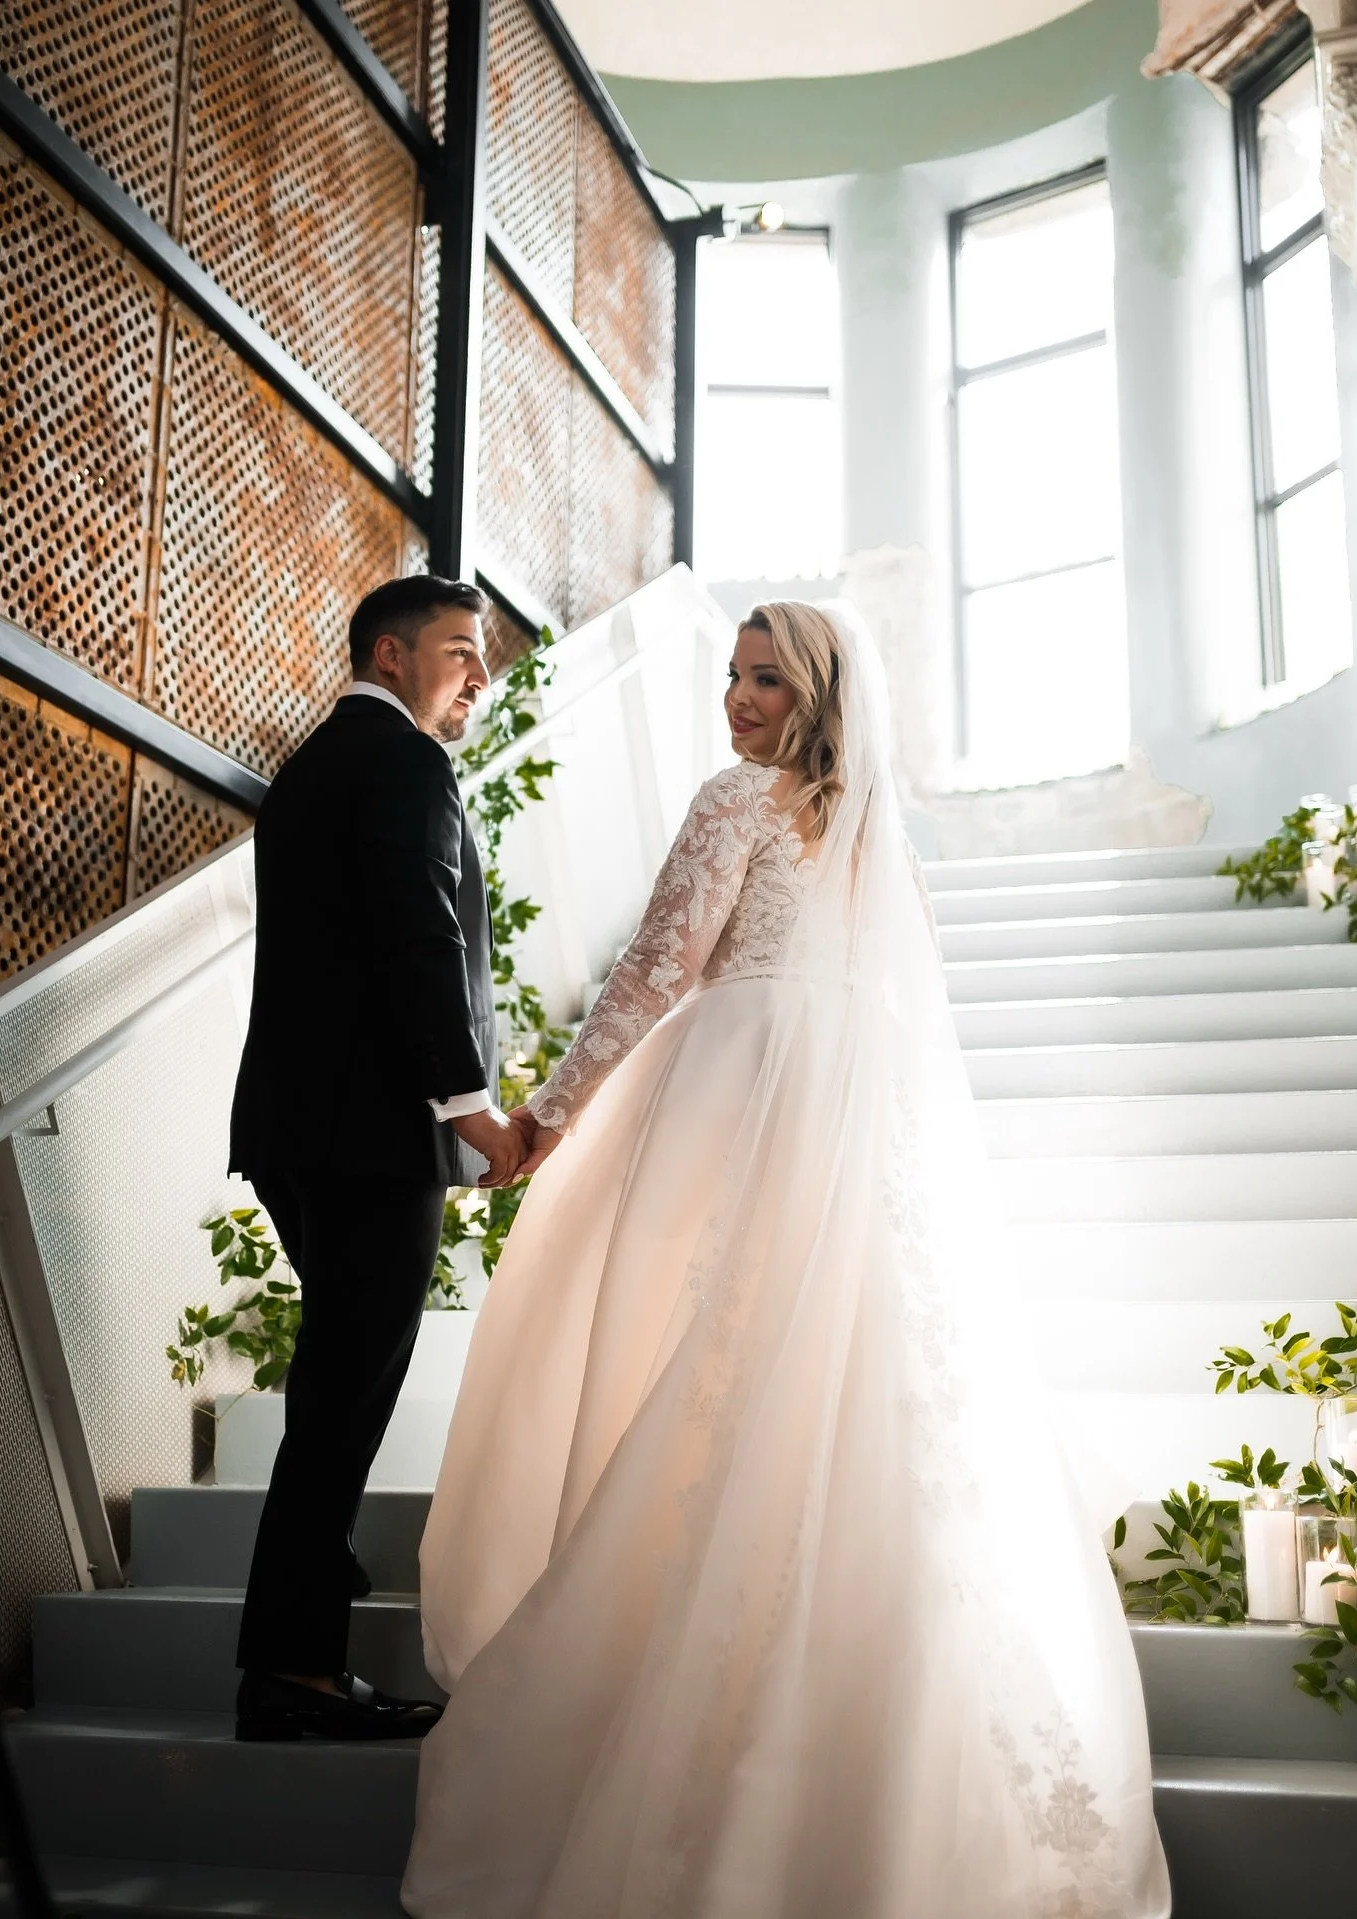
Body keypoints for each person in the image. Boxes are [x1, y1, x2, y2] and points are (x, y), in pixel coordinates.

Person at [403, 600, 1171, 1916]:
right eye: (731, 673)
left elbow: (654, 967)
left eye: (766, 678)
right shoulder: (877, 833)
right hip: (854, 1126)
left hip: (749, 1104)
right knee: (828, 1399)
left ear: (814, 692)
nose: (739, 698)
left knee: (734, 1384)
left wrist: (548, 1116)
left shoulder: (734, 802)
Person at [229, 574, 529, 1743]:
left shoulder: (310, 769)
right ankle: (292, 1670)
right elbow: (419, 933)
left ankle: (298, 1632)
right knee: (343, 1401)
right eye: (461, 650)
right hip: (371, 1137)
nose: (479, 677)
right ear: (392, 654)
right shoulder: (404, 765)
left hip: (298, 1132)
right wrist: (470, 1104)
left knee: (333, 1390)